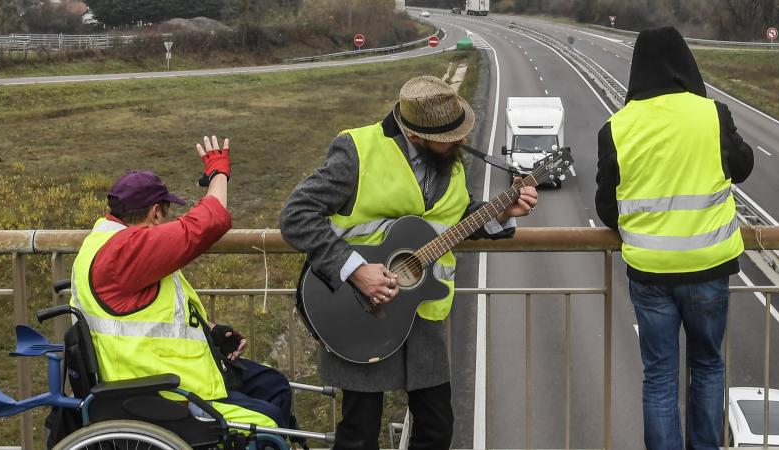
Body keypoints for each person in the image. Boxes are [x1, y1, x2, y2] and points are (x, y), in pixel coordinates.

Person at [280, 75, 538, 450]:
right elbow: (296, 215)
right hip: (359, 311)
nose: (461, 141)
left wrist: (501, 212)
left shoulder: (449, 158)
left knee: (437, 430)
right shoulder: (358, 151)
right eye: (451, 136)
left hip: (422, 314)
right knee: (359, 434)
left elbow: (455, 216)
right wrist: (356, 270)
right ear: (416, 134)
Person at [594, 26, 753, 450]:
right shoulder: (711, 113)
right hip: (708, 268)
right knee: (707, 366)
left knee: (660, 376)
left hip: (649, 272)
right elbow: (743, 166)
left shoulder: (617, 127)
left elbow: (606, 207)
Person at [69, 137, 291, 430]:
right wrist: (218, 173)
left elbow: (152, 312)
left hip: (156, 375)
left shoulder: (105, 243)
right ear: (155, 212)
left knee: (273, 385)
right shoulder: (125, 251)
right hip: (164, 391)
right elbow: (206, 223)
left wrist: (212, 332)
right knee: (269, 421)